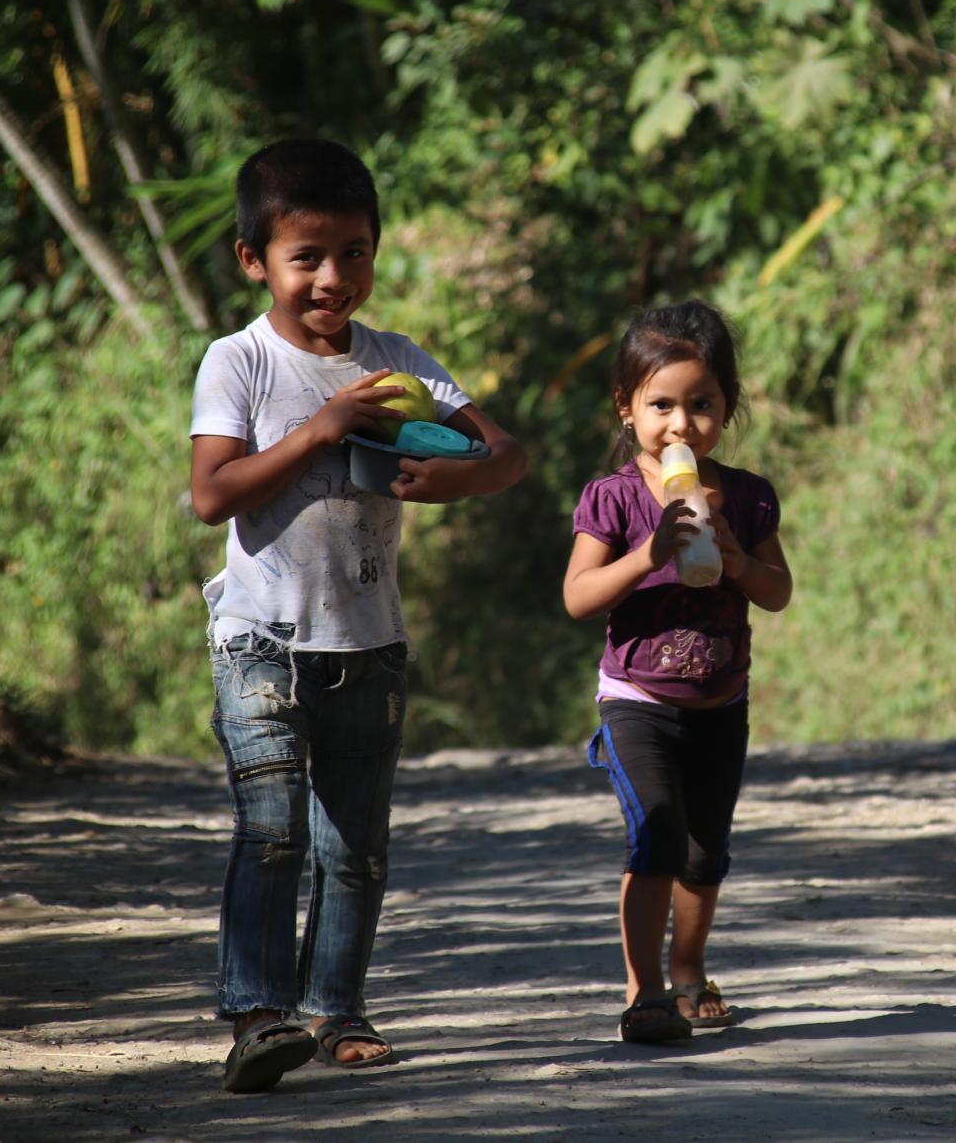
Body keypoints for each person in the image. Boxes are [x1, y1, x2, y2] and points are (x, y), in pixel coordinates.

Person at [188, 138, 528, 1090]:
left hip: (368, 642)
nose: (334, 277)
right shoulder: (240, 362)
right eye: (308, 257)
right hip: (260, 638)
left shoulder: (398, 364)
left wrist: (447, 479)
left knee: (354, 848)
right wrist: (322, 428)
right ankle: (259, 1015)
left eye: (356, 253)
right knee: (273, 832)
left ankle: (337, 1011)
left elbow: (507, 454)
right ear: (254, 258)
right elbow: (213, 492)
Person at [562, 301, 793, 1043]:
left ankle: (689, 966)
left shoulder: (748, 496)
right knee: (656, 834)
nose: (682, 425)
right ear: (626, 409)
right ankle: (646, 989)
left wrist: (734, 555)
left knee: (704, 851)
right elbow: (577, 596)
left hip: (720, 700)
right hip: (637, 699)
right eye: (662, 404)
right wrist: (648, 555)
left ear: (727, 406)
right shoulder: (615, 498)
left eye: (703, 404)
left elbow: (778, 590)